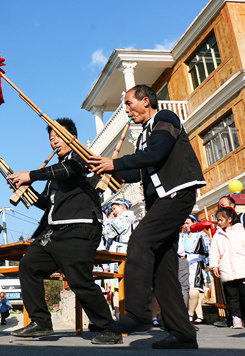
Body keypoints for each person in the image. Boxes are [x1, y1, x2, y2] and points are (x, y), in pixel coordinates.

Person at [88, 85, 206, 349]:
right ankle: (183, 333)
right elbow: (140, 172)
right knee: (163, 269)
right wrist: (107, 170)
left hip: (177, 195)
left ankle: (139, 313)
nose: (127, 110)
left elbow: (156, 154)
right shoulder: (143, 136)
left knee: (139, 241)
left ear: (145, 101)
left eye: (129, 104)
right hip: (159, 202)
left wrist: (116, 163)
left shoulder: (164, 119)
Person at [7, 118, 122, 345]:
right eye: (51, 138)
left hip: (81, 227)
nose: (54, 142)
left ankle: (109, 327)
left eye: (58, 136)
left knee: (79, 279)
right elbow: (49, 205)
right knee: (29, 265)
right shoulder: (54, 173)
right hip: (55, 232)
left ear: (73, 137)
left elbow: (70, 169)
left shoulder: (82, 157)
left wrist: (31, 174)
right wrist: (26, 191)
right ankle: (41, 322)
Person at [209, 207, 245, 329]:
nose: (219, 223)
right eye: (218, 220)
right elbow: (214, 252)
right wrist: (214, 265)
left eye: (221, 220)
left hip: (243, 269)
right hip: (227, 271)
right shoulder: (217, 236)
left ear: (230, 219)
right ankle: (236, 318)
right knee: (232, 297)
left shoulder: (241, 233)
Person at [102, 198, 137, 321]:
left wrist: (106, 224)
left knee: (117, 286)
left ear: (122, 206)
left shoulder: (121, 219)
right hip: (132, 252)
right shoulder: (135, 220)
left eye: (114, 208)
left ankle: (120, 314)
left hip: (119, 252)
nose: (114, 212)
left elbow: (107, 233)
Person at [180, 214, 210, 324]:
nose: (186, 225)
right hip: (183, 264)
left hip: (197, 263)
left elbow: (208, 250)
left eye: (188, 223)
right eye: (184, 223)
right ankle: (199, 315)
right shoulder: (182, 235)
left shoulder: (202, 235)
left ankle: (190, 314)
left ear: (194, 222)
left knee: (194, 291)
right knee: (186, 290)